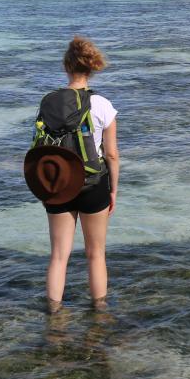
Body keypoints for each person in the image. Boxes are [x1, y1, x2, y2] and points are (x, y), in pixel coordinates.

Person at [42, 36, 119, 314]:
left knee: (59, 256)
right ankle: (99, 315)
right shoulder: (103, 105)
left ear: (66, 66)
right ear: (92, 68)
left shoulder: (49, 101)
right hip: (93, 184)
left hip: (57, 183)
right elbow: (111, 154)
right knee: (95, 255)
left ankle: (54, 317)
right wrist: (113, 190)